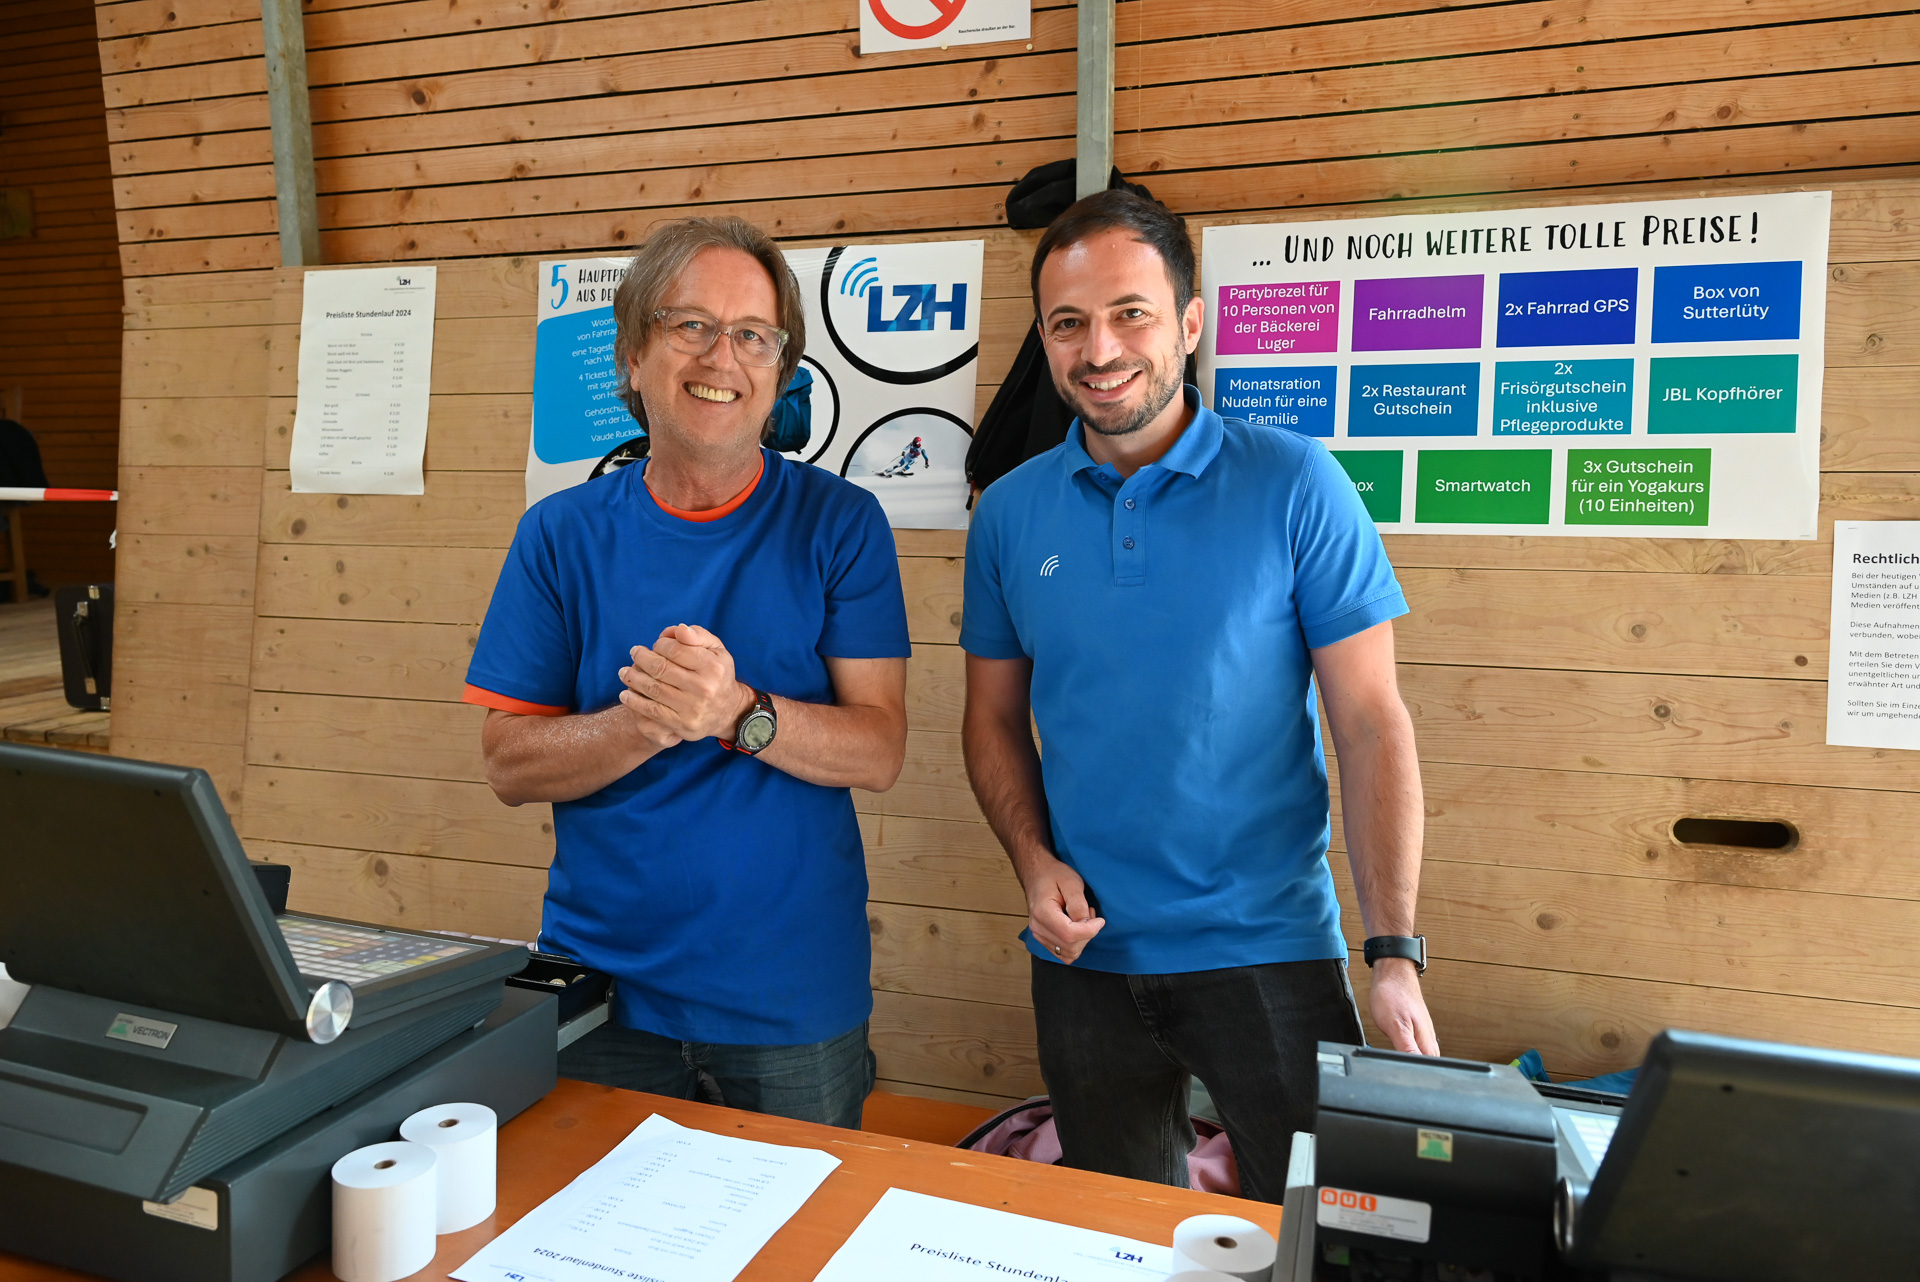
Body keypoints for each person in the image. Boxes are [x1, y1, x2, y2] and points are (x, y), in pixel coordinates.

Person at [959, 190, 1437, 1201]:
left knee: (1315, 1231)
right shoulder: (1008, 514)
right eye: (1068, 323)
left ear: (1189, 321)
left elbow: (1370, 723)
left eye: (1130, 313)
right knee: (1116, 1242)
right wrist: (1033, 862)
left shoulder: (1297, 482)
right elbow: (992, 719)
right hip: (1085, 959)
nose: (1100, 350)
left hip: (1269, 952)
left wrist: (1394, 951)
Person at [464, 216, 911, 1128]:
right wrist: (641, 721)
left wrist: (737, 712)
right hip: (603, 991)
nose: (722, 356)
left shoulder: (841, 523)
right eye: (692, 325)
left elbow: (879, 749)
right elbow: (508, 763)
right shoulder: (560, 534)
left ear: (779, 371)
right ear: (633, 356)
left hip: (793, 999)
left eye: (753, 335)